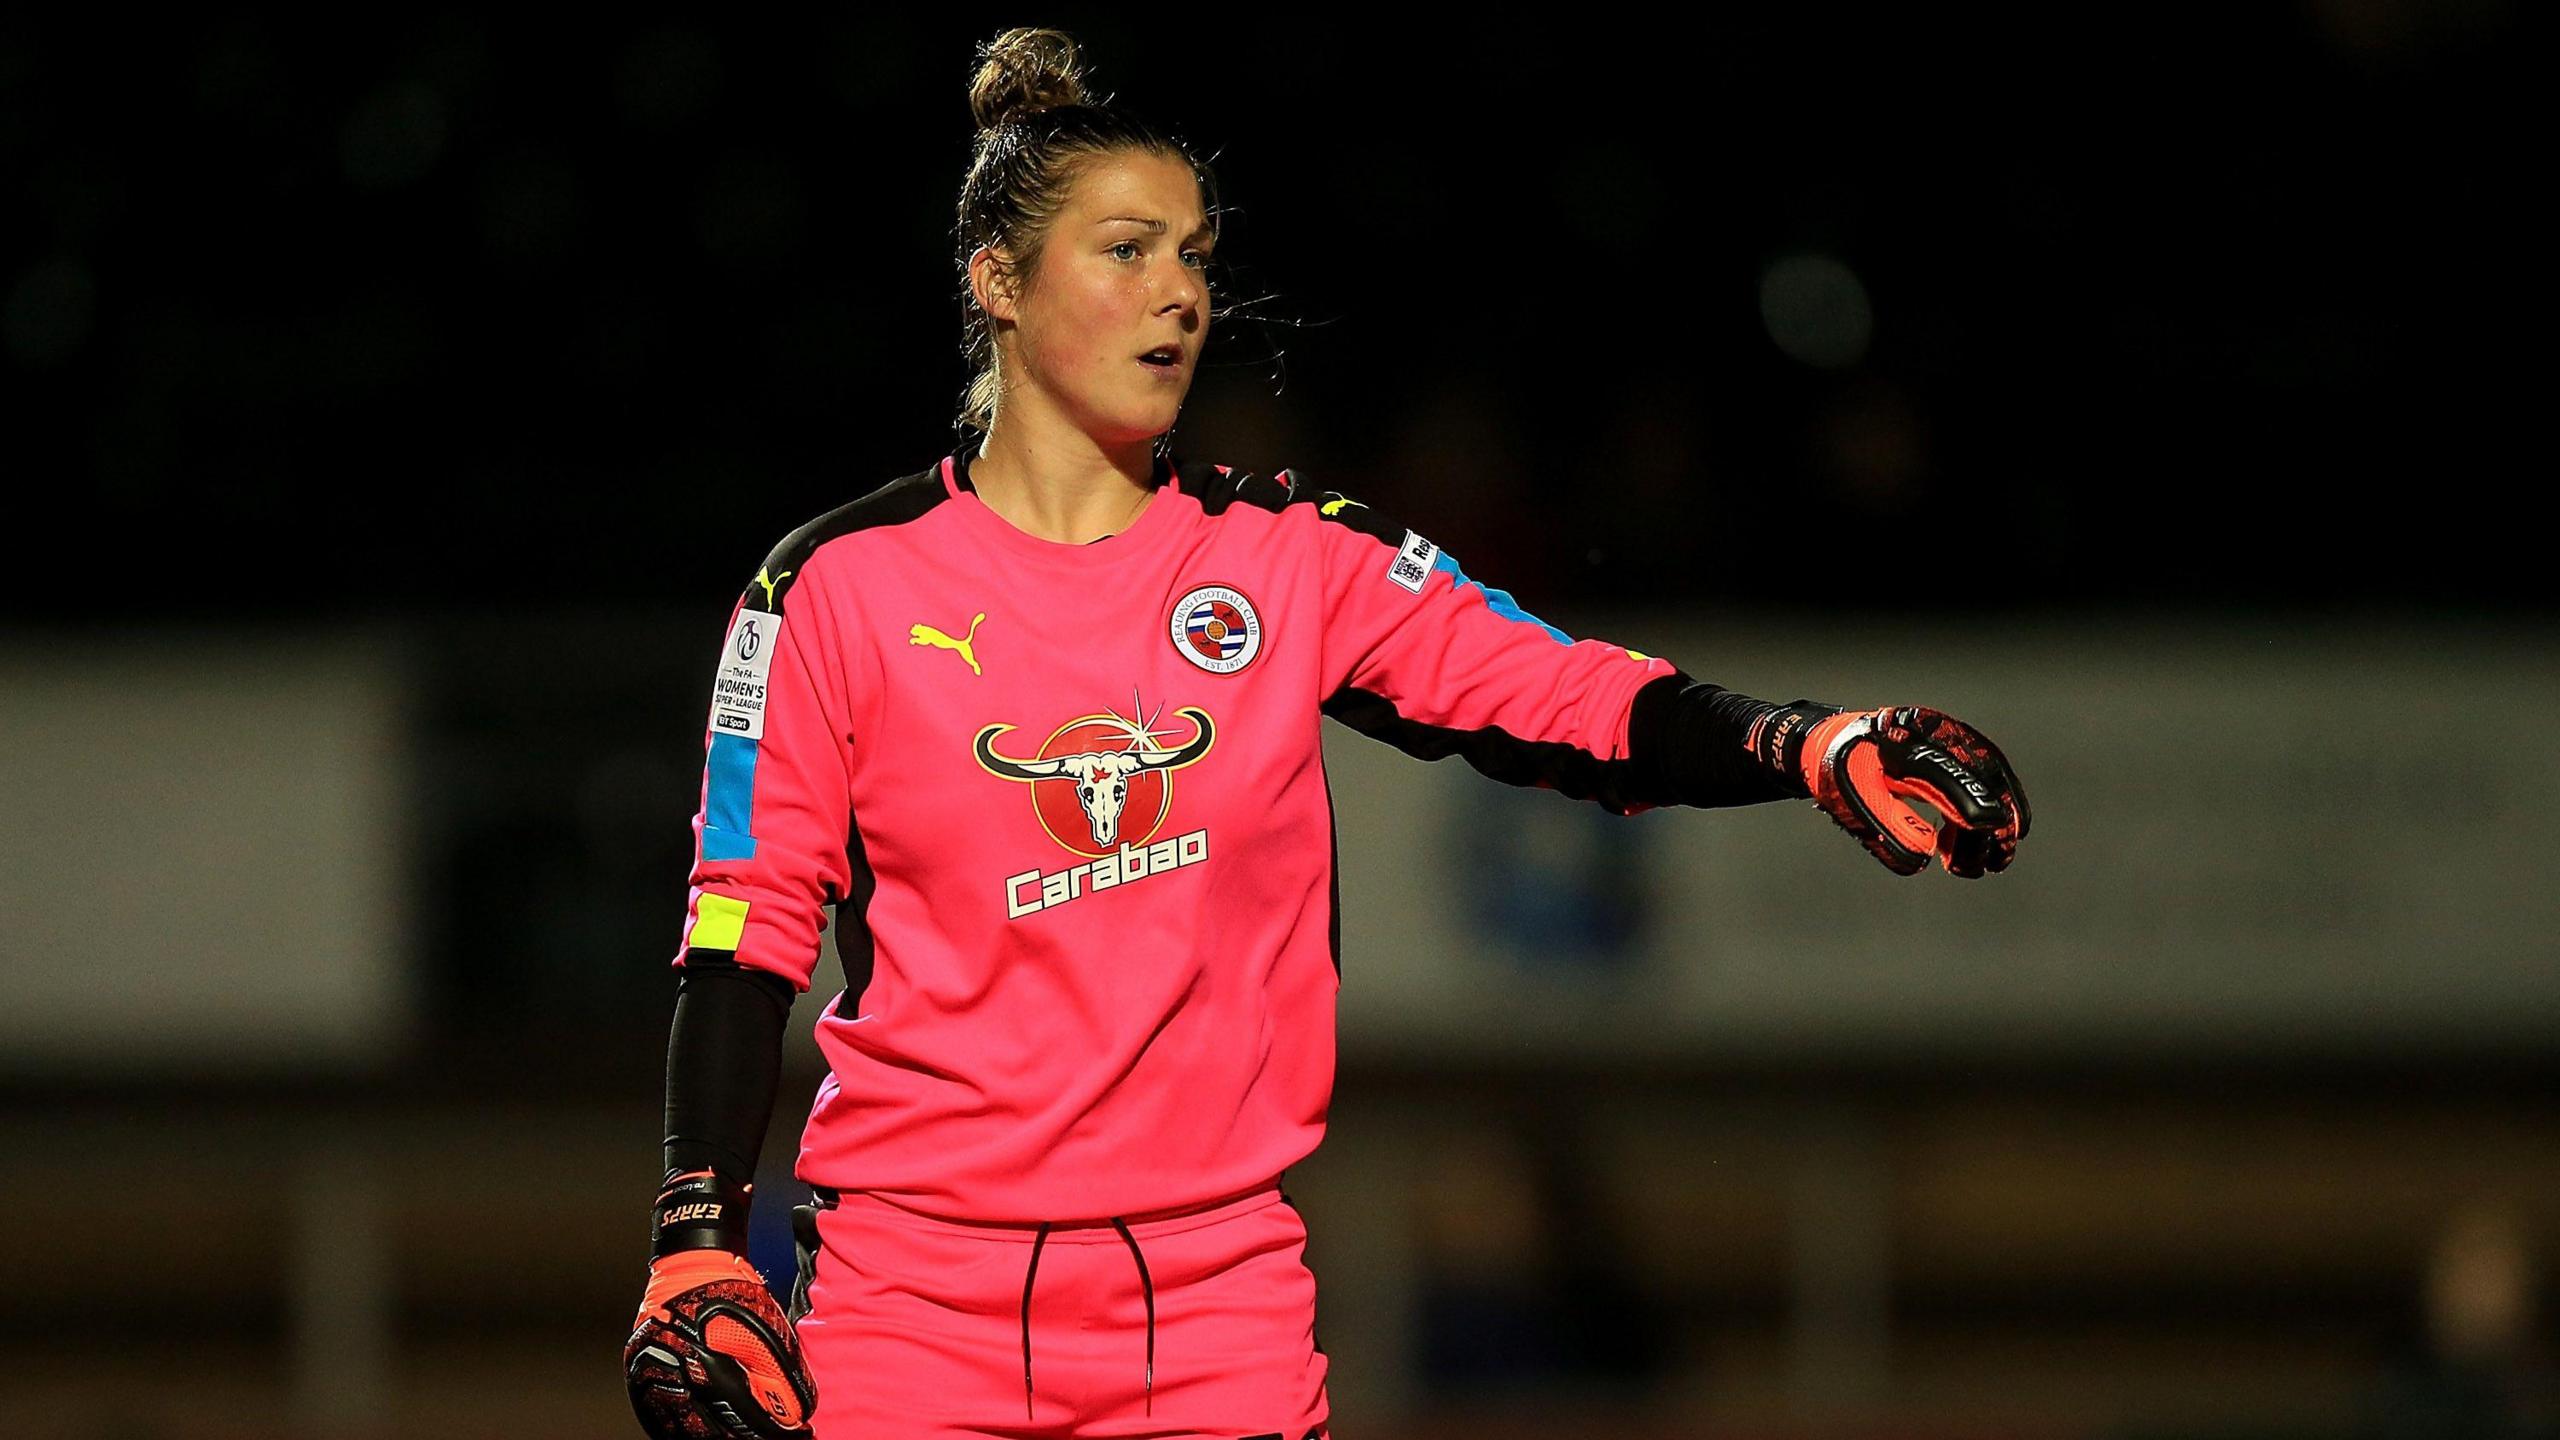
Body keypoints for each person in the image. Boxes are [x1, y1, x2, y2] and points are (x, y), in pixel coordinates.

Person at [622, 26, 2030, 1440]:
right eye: (1128, 250)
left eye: (1197, 256)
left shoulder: (1292, 557)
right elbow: (742, 934)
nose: (1180, 292)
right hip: (903, 1315)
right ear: (996, 279)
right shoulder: (827, 589)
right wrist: (698, 1238)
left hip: (1215, 1317)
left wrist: (1805, 742)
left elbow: (1573, 701)